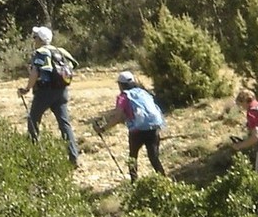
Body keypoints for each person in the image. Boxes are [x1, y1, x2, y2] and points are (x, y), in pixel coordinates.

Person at [17, 25, 80, 166]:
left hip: (44, 92)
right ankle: (73, 156)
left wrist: (27, 88)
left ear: (40, 40)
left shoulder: (40, 52)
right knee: (64, 124)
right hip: (62, 91)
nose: (34, 40)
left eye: (35, 38)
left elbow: (35, 73)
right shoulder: (61, 51)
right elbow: (73, 65)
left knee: (33, 120)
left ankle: (34, 155)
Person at [93, 71, 166, 181]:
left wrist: (103, 128)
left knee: (132, 157)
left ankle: (134, 182)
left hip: (137, 131)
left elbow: (118, 116)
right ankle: (164, 181)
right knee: (154, 158)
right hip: (153, 127)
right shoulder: (143, 92)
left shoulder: (123, 97)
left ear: (120, 85)